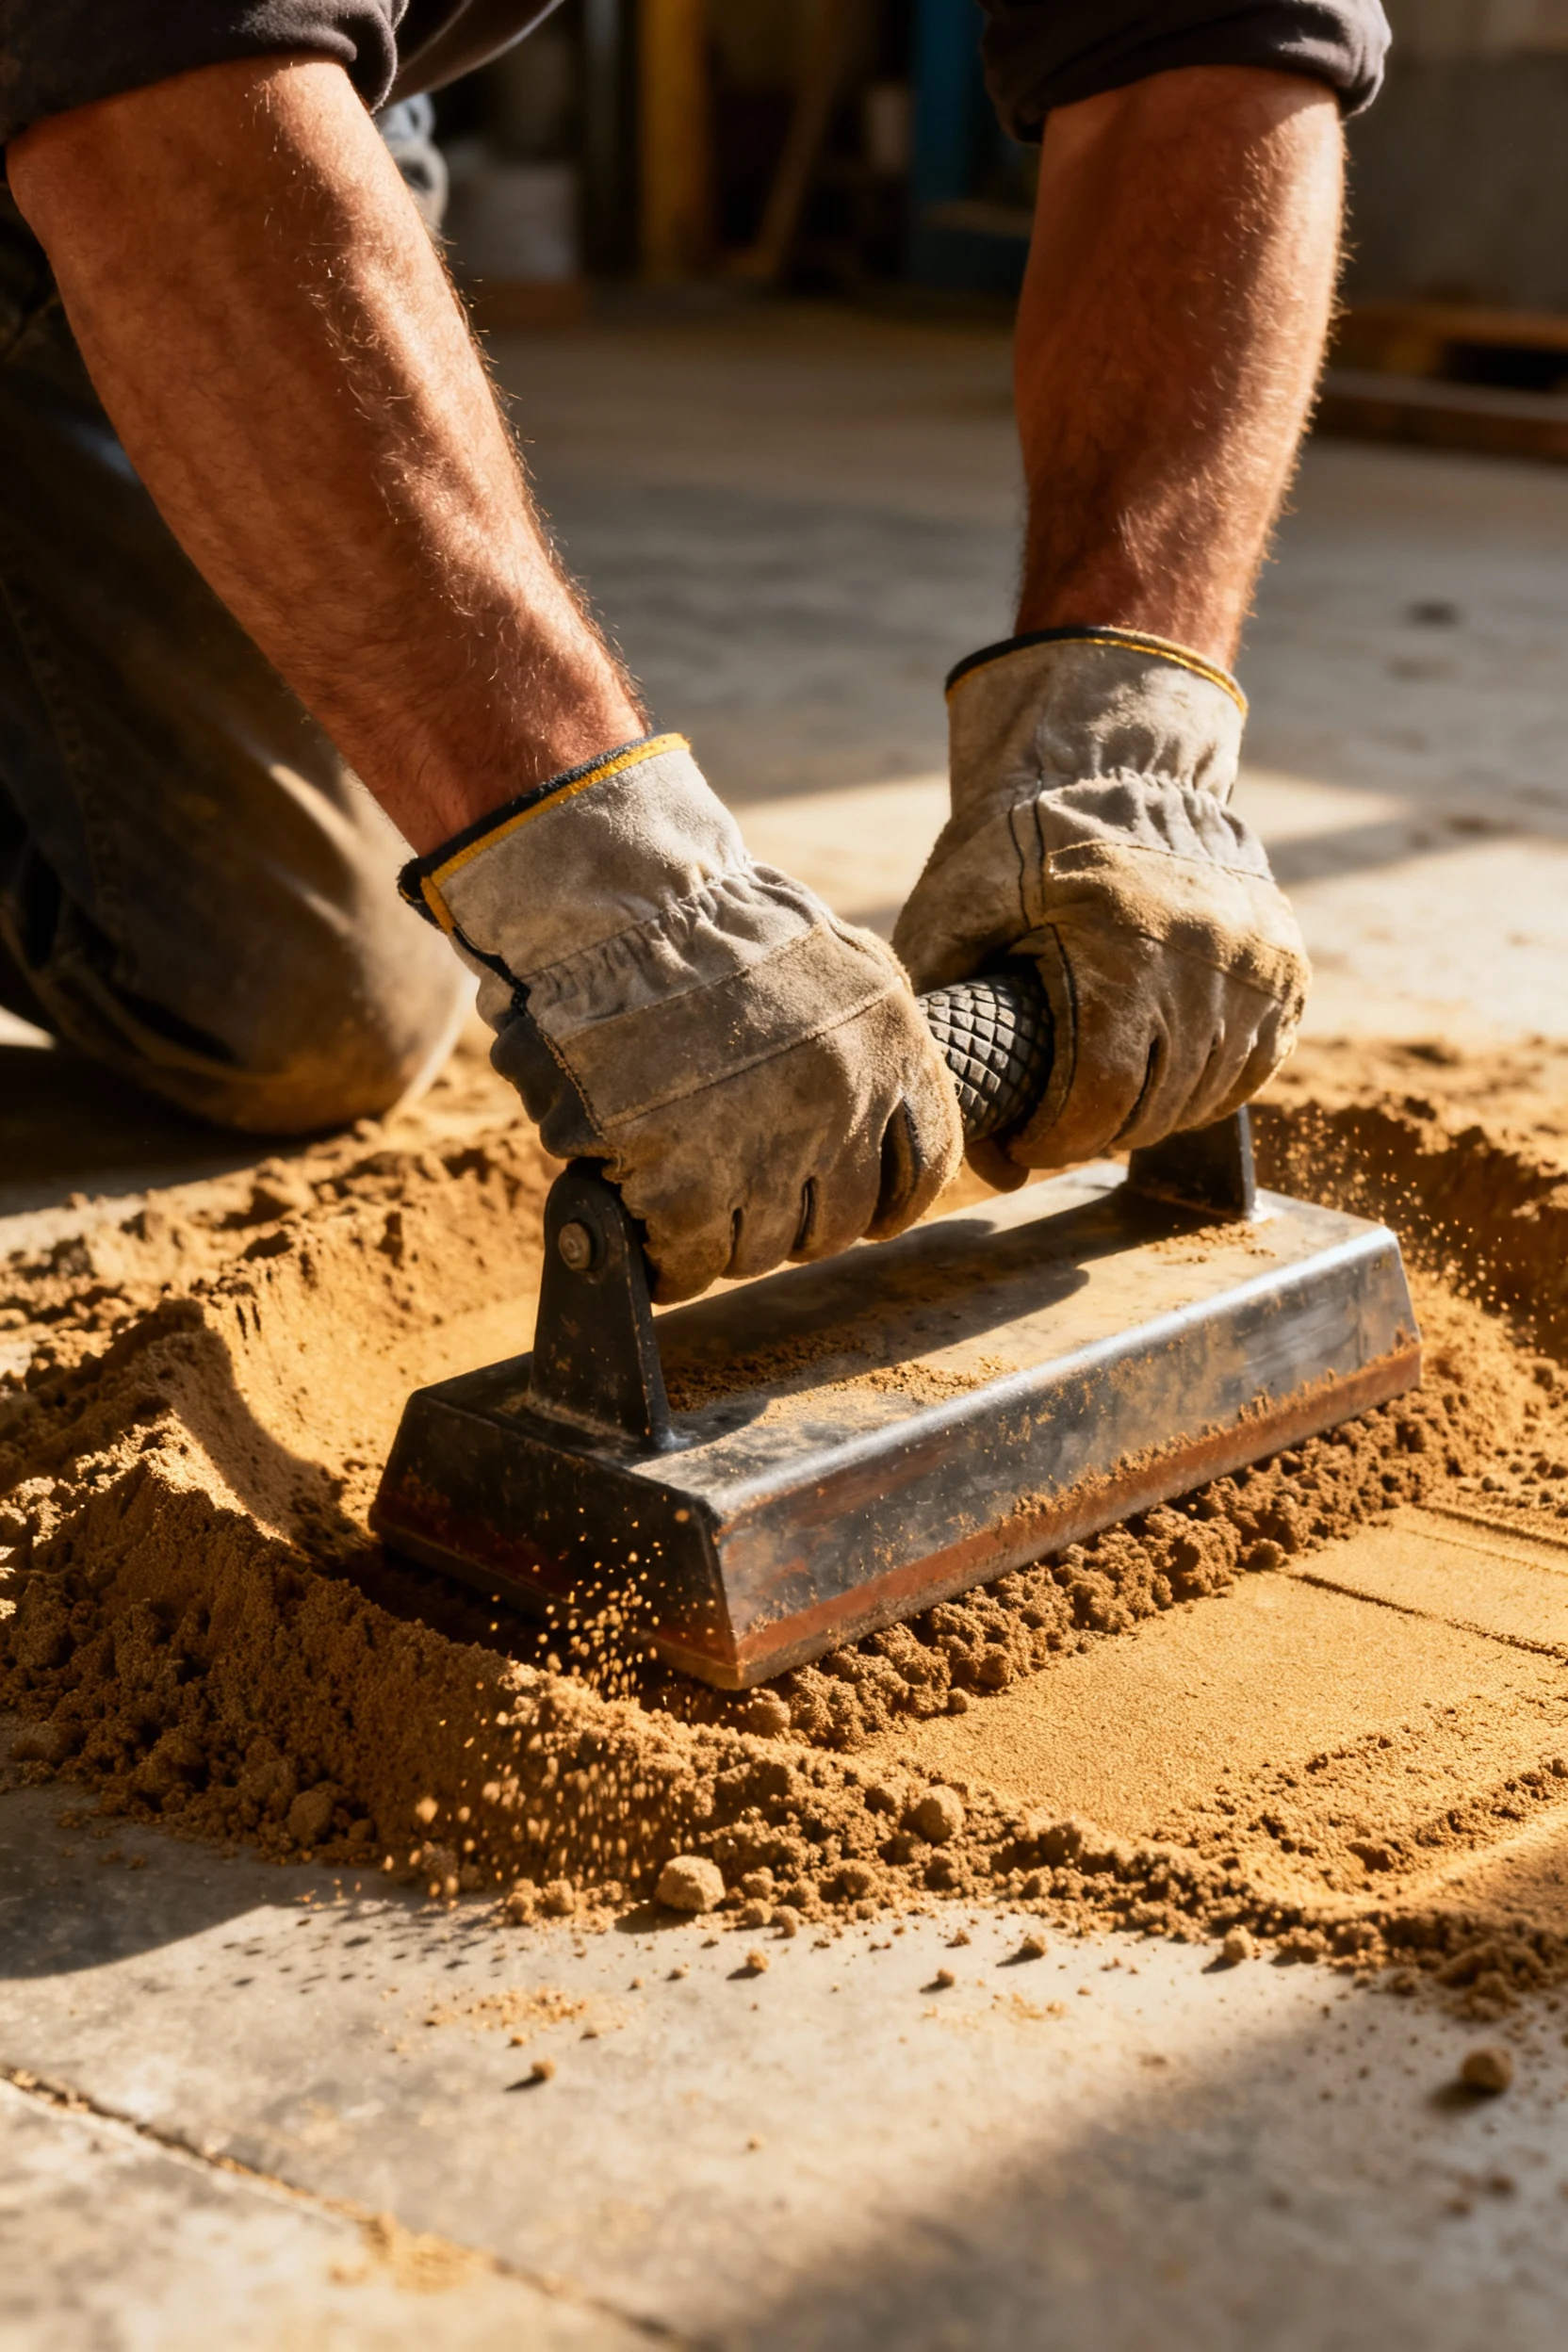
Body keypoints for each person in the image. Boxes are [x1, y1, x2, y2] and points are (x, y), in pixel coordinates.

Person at [0, 2, 1387, 1300]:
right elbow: (150, 67)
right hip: (162, 93)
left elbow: (1208, 37)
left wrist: (1129, 745)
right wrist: (611, 898)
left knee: (287, 1003)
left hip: (282, 97)